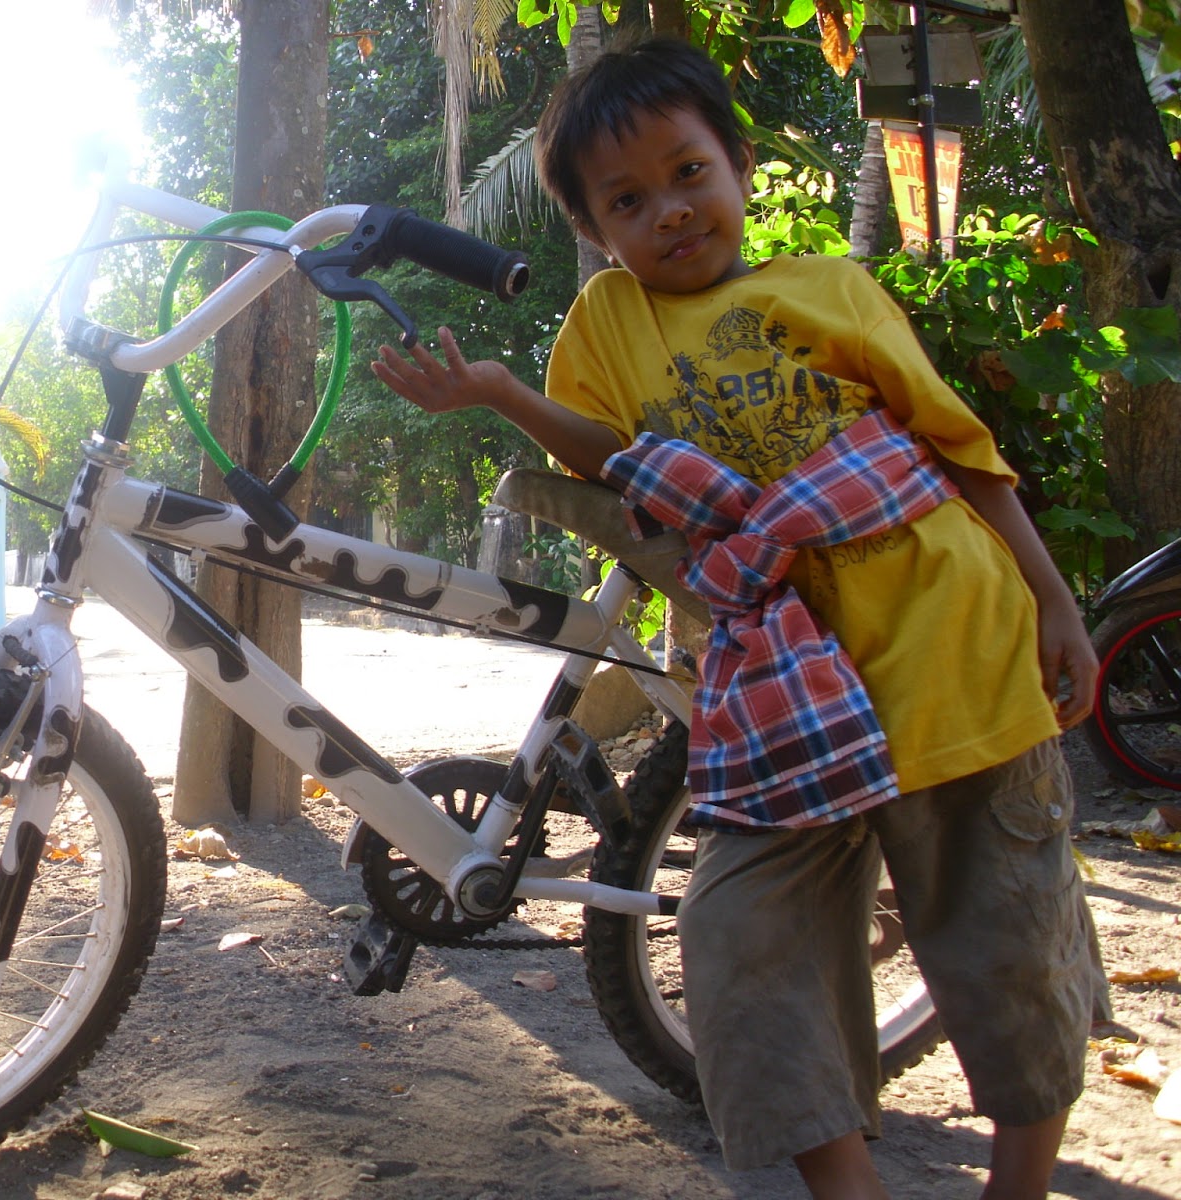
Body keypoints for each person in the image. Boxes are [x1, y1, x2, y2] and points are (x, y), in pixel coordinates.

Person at [371, 37, 1107, 1200]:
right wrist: (506, 396)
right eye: (627, 200)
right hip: (777, 692)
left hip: (954, 655)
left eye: (687, 173)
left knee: (1011, 948)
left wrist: (1050, 599)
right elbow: (615, 461)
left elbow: (961, 455)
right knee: (740, 945)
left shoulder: (833, 289)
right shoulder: (608, 325)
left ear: (740, 168)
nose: (667, 211)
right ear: (597, 232)